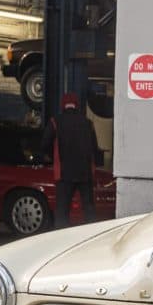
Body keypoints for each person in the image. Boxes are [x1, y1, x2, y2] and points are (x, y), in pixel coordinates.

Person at [41, 92, 102, 228]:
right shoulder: (88, 123)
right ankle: (91, 237)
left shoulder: (55, 122)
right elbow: (95, 148)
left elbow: (44, 144)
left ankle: (63, 240)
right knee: (89, 210)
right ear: (77, 106)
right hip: (85, 174)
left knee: (62, 211)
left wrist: (52, 157)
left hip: (64, 174)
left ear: (63, 105)